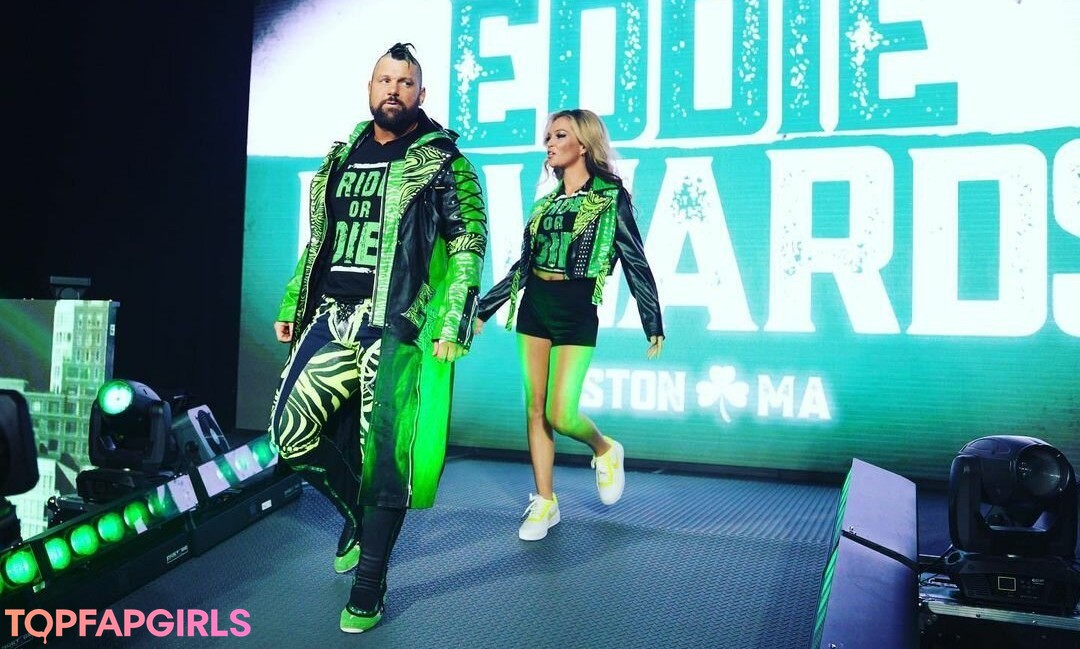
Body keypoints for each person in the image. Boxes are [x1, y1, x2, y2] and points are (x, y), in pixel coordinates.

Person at [269, 43, 487, 633]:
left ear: (421, 94)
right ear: (370, 88)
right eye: (385, 80)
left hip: (395, 322)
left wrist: (454, 319)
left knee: (385, 454)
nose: (394, 89)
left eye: (405, 82)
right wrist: (293, 301)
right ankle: (358, 515)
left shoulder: (444, 162)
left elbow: (468, 245)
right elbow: (320, 239)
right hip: (331, 314)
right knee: (288, 434)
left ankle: (370, 581)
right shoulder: (342, 157)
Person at [475, 108, 663, 541]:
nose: (550, 143)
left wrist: (652, 319)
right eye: (548, 136)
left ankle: (605, 448)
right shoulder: (546, 204)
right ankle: (545, 501)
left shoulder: (610, 199)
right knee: (535, 408)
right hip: (535, 306)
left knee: (560, 413)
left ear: (583, 144)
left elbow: (634, 260)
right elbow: (524, 265)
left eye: (560, 135)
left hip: (577, 307)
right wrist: (485, 309)